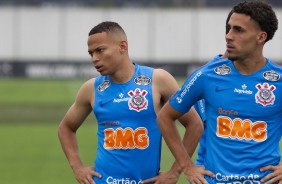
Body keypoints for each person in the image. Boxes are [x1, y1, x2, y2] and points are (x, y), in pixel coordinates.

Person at [58, 21, 203, 184]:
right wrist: (77, 167)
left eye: (100, 50)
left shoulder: (157, 80)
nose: (94, 58)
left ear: (122, 46)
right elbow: (66, 127)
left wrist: (175, 172)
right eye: (91, 53)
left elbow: (194, 124)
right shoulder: (92, 88)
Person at [157, 1, 282, 183]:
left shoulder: (278, 80)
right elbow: (165, 117)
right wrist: (187, 167)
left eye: (238, 30)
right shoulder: (207, 75)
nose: (228, 36)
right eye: (228, 29)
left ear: (261, 37)